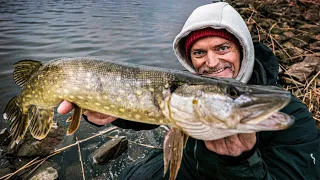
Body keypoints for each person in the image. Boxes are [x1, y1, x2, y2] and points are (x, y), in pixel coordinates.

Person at [58, 2, 320, 179]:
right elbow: (161, 107)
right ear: (188, 59)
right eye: (199, 52)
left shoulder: (295, 119)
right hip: (185, 168)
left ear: (243, 50)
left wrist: (241, 162)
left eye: (222, 48)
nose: (212, 62)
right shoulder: (190, 90)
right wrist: (114, 111)